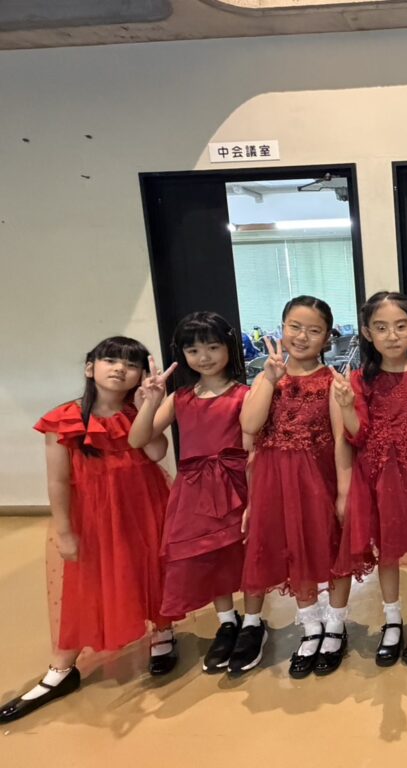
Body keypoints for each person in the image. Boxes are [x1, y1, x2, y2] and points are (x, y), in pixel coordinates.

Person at [1, 337, 178, 723]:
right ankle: (62, 666)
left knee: (152, 568)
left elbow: (156, 452)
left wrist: (149, 405)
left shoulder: (136, 412)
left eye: (130, 364)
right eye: (110, 360)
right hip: (94, 516)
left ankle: (162, 631)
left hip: (145, 505)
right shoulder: (64, 418)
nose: (120, 368)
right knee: (87, 582)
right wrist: (65, 531)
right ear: (89, 368)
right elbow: (58, 482)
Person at [233, 296, 352, 679]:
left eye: (313, 330)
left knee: (331, 549)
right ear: (281, 328)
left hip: (317, 480)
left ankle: (336, 626)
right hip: (274, 482)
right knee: (294, 552)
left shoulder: (332, 382)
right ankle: (311, 625)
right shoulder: (267, 377)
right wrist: (269, 379)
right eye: (295, 327)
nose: (302, 337)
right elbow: (250, 426)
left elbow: (341, 441)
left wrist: (344, 492)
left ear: (326, 337)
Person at [128, 311, 250, 673]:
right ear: (181, 354)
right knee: (209, 555)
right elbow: (138, 438)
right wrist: (150, 400)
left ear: (228, 347)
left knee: (241, 554)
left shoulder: (244, 394)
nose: (204, 356)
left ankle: (252, 622)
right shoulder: (180, 397)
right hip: (195, 489)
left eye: (212, 347)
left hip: (236, 484)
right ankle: (227, 621)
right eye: (193, 350)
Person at [332, 291, 407, 667]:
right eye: (381, 328)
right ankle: (392, 619)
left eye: (400, 326)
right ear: (367, 332)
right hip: (377, 477)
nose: (392, 336)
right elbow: (358, 434)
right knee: (387, 550)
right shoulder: (360, 380)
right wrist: (346, 407)